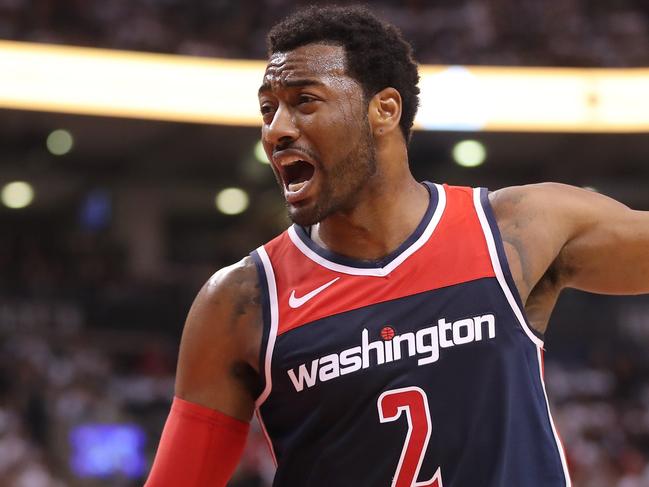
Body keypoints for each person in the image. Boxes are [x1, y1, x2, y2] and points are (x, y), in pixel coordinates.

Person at [144, 5, 649, 486]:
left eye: (304, 101)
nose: (275, 130)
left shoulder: (518, 229)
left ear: (383, 110)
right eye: (267, 109)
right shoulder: (242, 302)